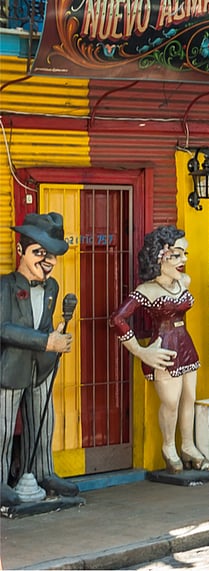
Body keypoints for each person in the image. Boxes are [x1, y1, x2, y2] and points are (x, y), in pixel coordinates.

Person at [111, 226, 209, 473]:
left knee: (189, 396)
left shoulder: (184, 282)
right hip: (163, 348)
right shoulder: (147, 291)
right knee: (171, 401)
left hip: (185, 345)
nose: (183, 260)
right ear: (159, 256)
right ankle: (169, 446)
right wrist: (140, 351)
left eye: (184, 254)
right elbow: (118, 319)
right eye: (176, 255)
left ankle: (188, 445)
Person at [1, 212, 78, 506]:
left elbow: (43, 322)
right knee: (4, 428)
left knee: (43, 423)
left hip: (41, 368)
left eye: (52, 256)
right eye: (39, 253)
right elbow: (4, 328)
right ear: (20, 251)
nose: (47, 261)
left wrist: (55, 334)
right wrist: (46, 341)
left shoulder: (52, 287)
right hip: (12, 368)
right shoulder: (5, 286)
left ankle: (45, 473)